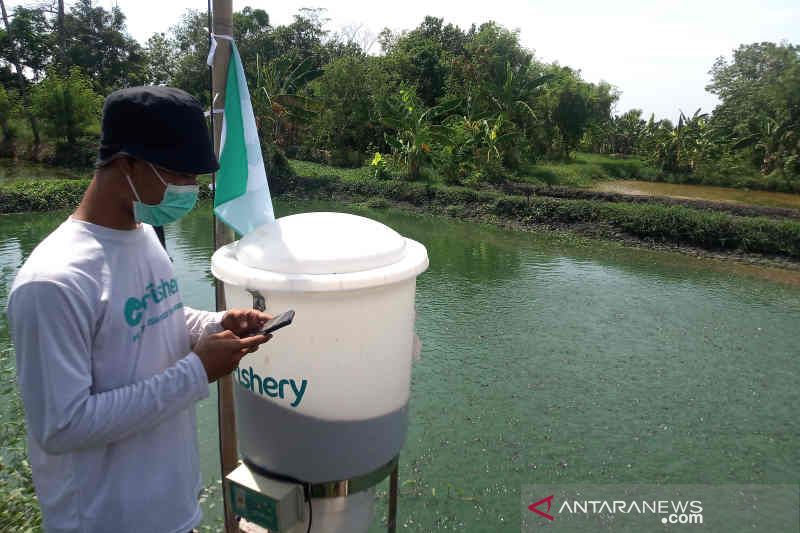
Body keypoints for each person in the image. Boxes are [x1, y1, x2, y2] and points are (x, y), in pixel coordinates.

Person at [6, 86, 273, 533]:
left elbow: (153, 316)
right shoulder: (52, 283)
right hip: (105, 519)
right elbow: (63, 426)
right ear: (125, 162)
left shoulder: (144, 236)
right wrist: (196, 371)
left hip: (170, 509)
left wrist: (215, 323)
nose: (189, 188)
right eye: (178, 174)